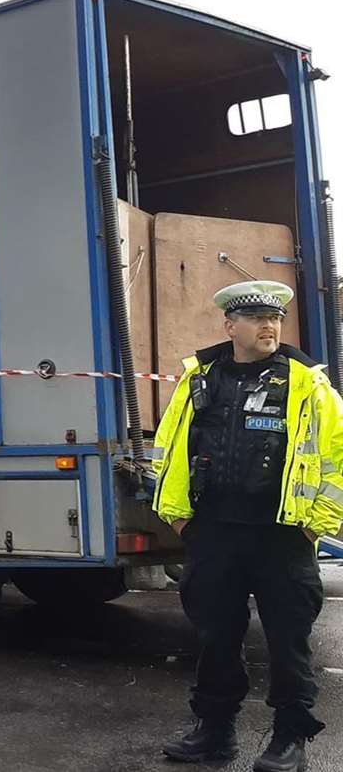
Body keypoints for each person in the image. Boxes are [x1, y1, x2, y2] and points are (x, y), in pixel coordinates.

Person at [154, 280, 343, 772]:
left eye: (275, 318)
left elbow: (336, 457)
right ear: (229, 326)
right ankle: (214, 733)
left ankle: (290, 739)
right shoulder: (201, 379)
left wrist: (314, 525)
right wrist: (179, 517)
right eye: (258, 319)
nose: (269, 326)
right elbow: (171, 447)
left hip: (281, 535)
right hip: (215, 533)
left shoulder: (306, 382)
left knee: (288, 641)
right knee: (216, 637)